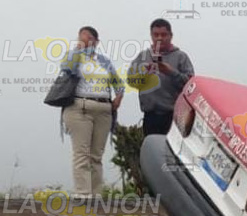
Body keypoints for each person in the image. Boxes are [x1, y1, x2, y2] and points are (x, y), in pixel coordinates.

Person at [60, 26, 123, 201]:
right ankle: (82, 193)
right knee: (82, 153)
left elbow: (118, 82)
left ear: (96, 41)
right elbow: (66, 68)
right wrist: (77, 50)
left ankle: (96, 195)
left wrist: (119, 97)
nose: (84, 42)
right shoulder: (75, 57)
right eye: (81, 38)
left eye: (87, 39)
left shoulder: (104, 61)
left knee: (96, 155)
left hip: (103, 109)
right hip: (80, 107)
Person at [128, 18, 195, 136]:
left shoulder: (181, 57)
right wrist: (145, 74)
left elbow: (191, 85)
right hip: (150, 115)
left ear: (171, 35)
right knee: (153, 150)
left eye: (163, 35)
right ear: (151, 35)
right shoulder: (142, 57)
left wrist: (170, 72)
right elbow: (131, 81)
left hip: (174, 115)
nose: (159, 38)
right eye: (156, 35)